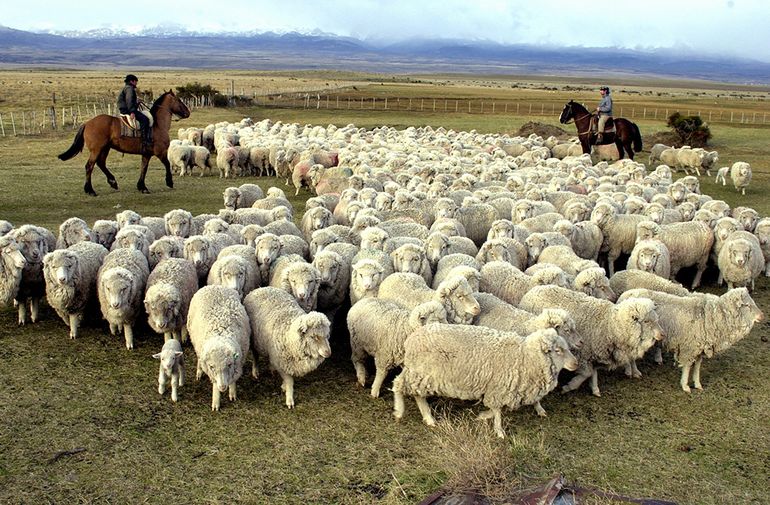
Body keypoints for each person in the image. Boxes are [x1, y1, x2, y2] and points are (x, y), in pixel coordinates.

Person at [117, 74, 151, 149]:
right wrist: (132, 112)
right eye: (135, 82)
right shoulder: (129, 89)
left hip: (125, 108)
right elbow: (129, 101)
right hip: (127, 110)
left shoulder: (126, 88)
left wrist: (137, 102)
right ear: (132, 81)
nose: (136, 83)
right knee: (145, 120)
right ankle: (144, 140)